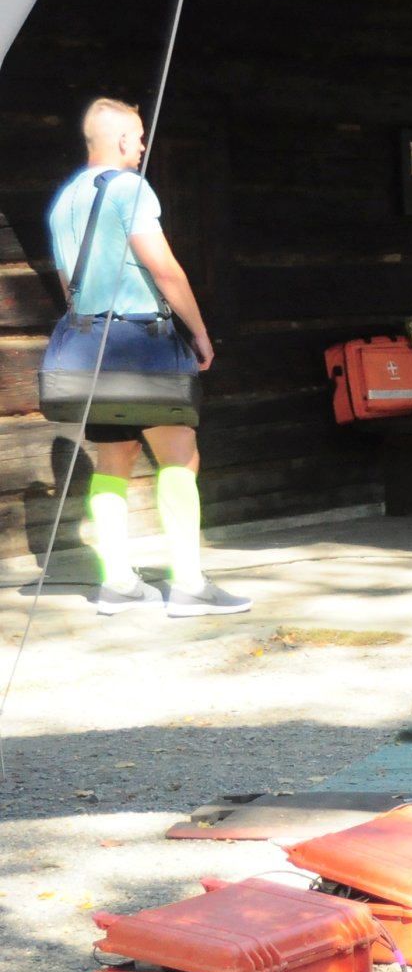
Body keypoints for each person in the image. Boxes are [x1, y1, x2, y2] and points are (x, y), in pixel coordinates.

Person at [47, 99, 248, 616]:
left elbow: (70, 285)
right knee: (181, 455)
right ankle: (189, 585)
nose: (142, 147)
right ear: (120, 140)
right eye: (138, 137)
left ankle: (117, 584)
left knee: (113, 459)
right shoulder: (129, 188)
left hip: (92, 347)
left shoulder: (64, 201)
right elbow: (164, 268)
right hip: (143, 343)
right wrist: (199, 332)